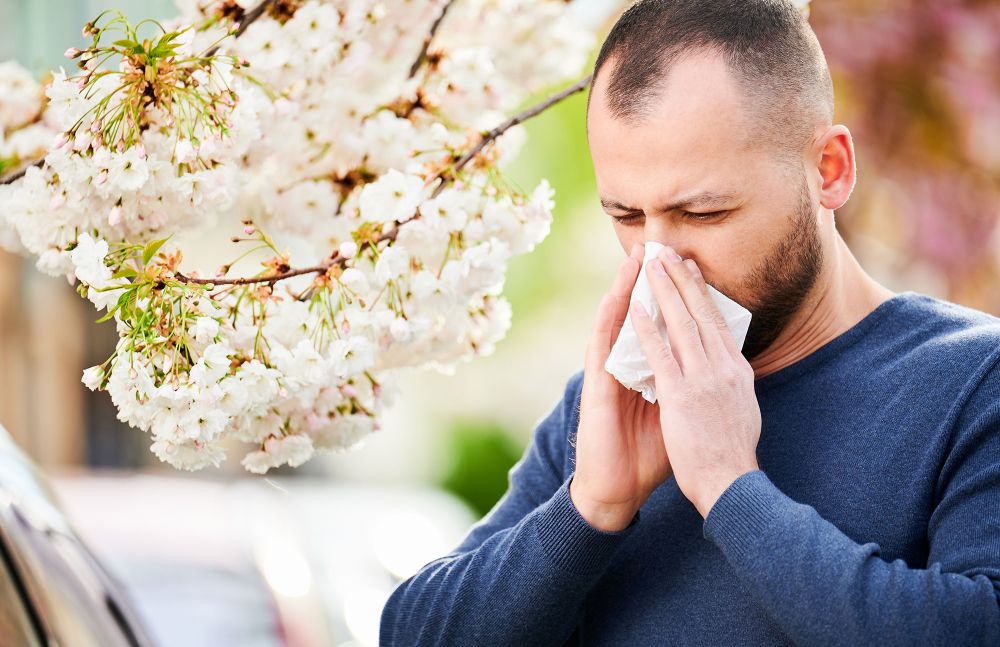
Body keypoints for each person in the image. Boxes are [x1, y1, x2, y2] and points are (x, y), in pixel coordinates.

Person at [379, 1, 1000, 644]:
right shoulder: (610, 410)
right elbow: (411, 634)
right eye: (626, 217)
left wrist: (730, 487)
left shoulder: (973, 383)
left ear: (829, 170)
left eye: (703, 214)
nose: (658, 259)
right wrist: (589, 507)